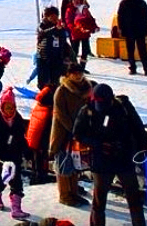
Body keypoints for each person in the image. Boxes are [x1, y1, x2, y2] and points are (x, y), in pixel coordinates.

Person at [72, 83, 147, 226]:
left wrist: (145, 145)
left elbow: (138, 127)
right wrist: (98, 144)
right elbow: (77, 134)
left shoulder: (123, 107)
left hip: (124, 157)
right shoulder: (87, 110)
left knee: (134, 199)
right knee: (99, 201)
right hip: (101, 160)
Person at [49, 62, 92, 206]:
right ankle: (64, 195)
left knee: (75, 164)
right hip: (63, 133)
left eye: (80, 73)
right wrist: (73, 129)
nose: (78, 76)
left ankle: (74, 193)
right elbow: (60, 114)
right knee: (63, 165)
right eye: (75, 73)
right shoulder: (61, 90)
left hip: (79, 133)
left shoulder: (87, 87)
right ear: (68, 74)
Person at [0, 87, 29, 218]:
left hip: (14, 155)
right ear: (2, 107)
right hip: (1, 156)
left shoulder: (18, 120)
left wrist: (27, 152)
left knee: (17, 181)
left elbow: (22, 138)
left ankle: (16, 208)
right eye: (7, 107)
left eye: (12, 107)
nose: (10, 110)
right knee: (0, 178)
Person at [117, 0, 147, 76]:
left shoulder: (142, 3)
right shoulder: (123, 3)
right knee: (130, 50)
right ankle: (132, 68)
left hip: (140, 30)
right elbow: (120, 17)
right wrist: (121, 29)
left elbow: (146, 16)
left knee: (143, 51)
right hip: (129, 30)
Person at [35, 6, 71, 89]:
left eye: (56, 17)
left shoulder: (60, 28)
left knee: (56, 81)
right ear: (47, 17)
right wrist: (55, 28)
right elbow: (43, 33)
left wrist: (66, 56)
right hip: (44, 58)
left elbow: (64, 42)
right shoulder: (42, 26)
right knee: (43, 81)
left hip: (57, 57)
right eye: (52, 17)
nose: (54, 19)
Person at [67, 0, 99, 68]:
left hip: (85, 33)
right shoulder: (70, 10)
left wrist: (94, 27)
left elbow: (90, 18)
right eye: (74, 0)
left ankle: (82, 67)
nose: (76, 1)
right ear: (71, 1)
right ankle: (73, 67)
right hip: (75, 33)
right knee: (74, 51)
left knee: (85, 51)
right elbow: (68, 22)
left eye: (77, 0)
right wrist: (74, 28)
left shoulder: (83, 8)